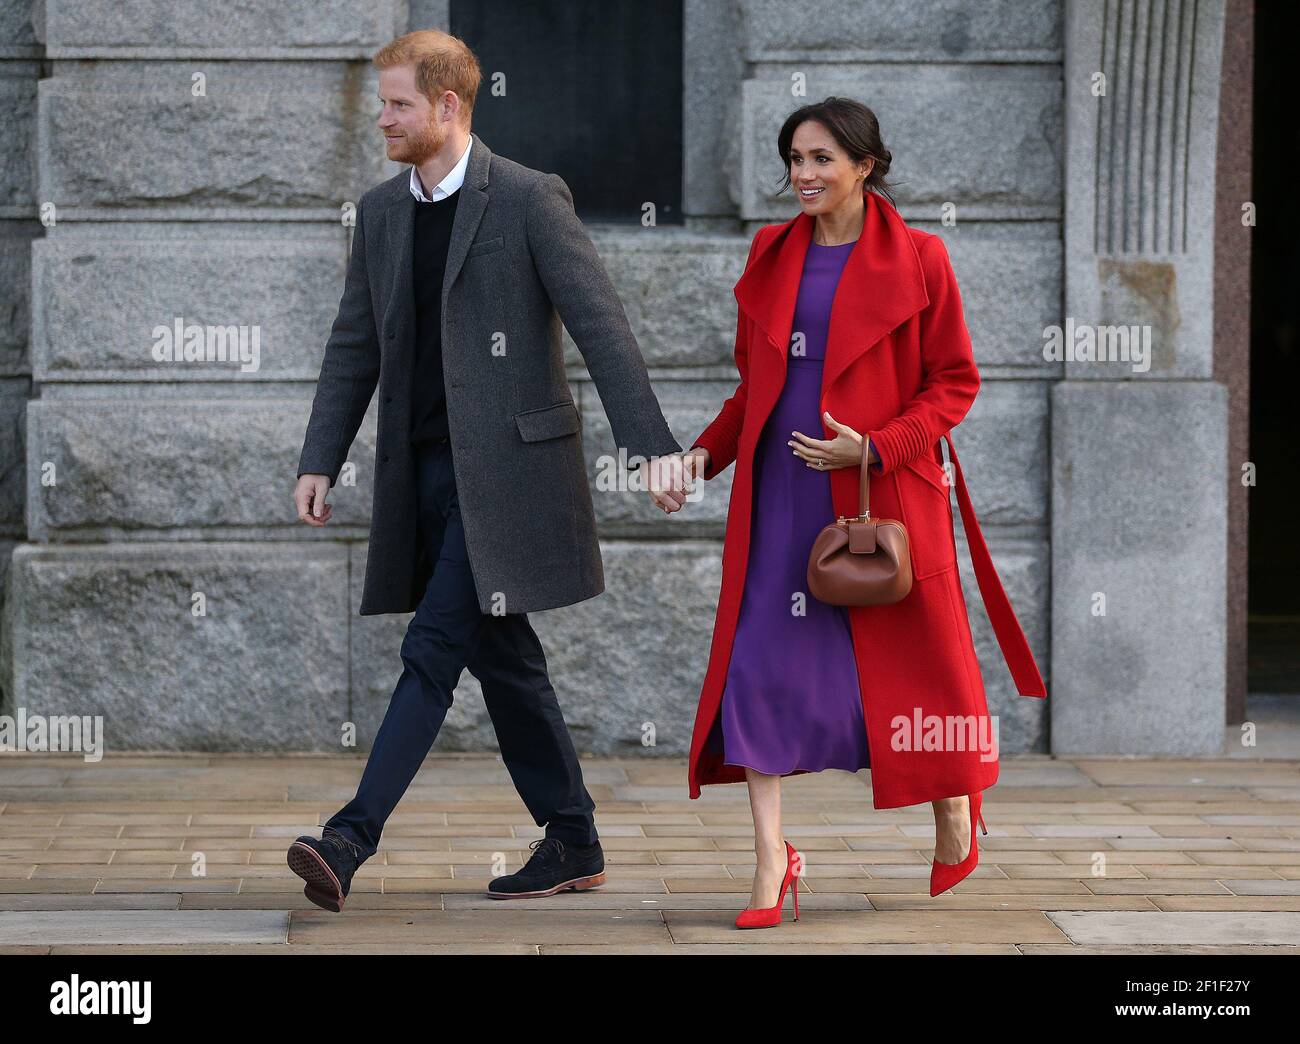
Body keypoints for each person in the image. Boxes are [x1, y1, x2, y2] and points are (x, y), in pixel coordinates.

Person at [287, 29, 688, 912]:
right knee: (504, 662)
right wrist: (322, 457)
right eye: (384, 104)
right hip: (421, 480)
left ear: (447, 106)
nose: (383, 120)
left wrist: (652, 445)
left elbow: (602, 325)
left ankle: (349, 839)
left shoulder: (529, 199)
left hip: (507, 480)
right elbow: (353, 345)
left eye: (397, 105)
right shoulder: (383, 212)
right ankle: (574, 837)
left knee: (430, 651)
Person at [676, 97, 1047, 929]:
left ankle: (954, 803)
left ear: (866, 165)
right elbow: (755, 389)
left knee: (921, 671)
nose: (803, 176)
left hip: (886, 494)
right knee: (759, 666)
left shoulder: (922, 255)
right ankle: (773, 859)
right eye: (795, 160)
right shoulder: (771, 252)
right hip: (784, 492)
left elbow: (955, 381)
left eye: (821, 160)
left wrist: (876, 446)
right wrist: (700, 459)